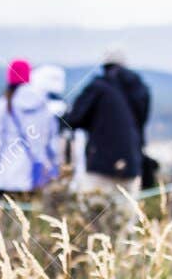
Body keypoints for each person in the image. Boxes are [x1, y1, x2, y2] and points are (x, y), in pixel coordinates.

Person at [63, 47, 152, 195]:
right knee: (126, 213)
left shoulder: (98, 88)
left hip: (101, 163)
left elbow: (74, 119)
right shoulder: (139, 89)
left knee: (96, 210)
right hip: (132, 163)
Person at [0, 59, 60, 198]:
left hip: (5, 172)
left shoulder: (4, 104)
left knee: (4, 217)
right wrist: (53, 167)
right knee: (27, 217)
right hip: (33, 173)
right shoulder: (44, 104)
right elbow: (51, 140)